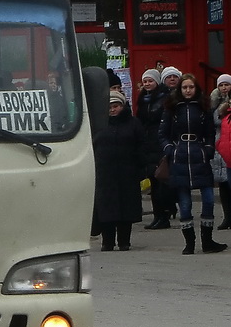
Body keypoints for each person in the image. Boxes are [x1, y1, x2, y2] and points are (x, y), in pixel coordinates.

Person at [159, 73, 227, 254]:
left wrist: (208, 149)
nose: (188, 91)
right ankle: (189, 243)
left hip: (200, 156)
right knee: (185, 203)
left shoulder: (203, 108)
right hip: (179, 157)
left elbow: (210, 133)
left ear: (196, 89)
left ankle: (207, 241)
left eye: (191, 87)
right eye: (184, 87)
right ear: (180, 90)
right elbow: (163, 134)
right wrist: (170, 150)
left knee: (209, 199)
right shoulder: (172, 109)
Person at [93, 90, 147, 251]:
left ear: (122, 106)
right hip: (105, 173)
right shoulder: (98, 124)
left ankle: (124, 241)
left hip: (128, 172)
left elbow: (141, 146)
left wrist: (142, 167)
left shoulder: (133, 123)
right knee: (106, 210)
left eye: (116, 106)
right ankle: (107, 241)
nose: (112, 109)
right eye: (109, 107)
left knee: (126, 209)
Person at [136, 68, 170, 228]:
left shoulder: (165, 99)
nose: (148, 84)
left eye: (150, 81)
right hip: (147, 143)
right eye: (145, 81)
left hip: (160, 143)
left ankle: (164, 215)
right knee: (153, 183)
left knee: (161, 181)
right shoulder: (143, 99)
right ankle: (157, 215)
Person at [212, 73, 231, 228]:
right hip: (220, 146)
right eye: (221, 85)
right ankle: (227, 216)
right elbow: (213, 120)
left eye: (227, 84)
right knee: (223, 185)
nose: (224, 88)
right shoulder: (213, 102)